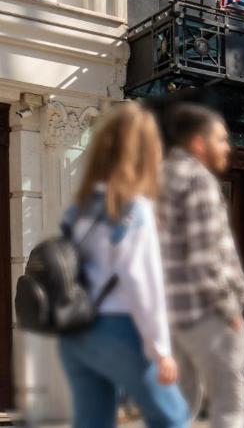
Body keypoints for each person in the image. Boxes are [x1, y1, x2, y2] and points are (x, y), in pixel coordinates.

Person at [58, 101, 189, 428]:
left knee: (93, 422)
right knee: (172, 417)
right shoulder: (134, 207)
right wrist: (160, 349)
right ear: (144, 150)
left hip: (74, 334)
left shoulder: (82, 207)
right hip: (117, 328)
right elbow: (141, 282)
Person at [158, 104, 244, 428]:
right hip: (204, 314)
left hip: (170, 314)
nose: (227, 148)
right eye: (221, 140)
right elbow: (204, 257)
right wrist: (229, 310)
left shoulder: (159, 178)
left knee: (178, 405)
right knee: (228, 400)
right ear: (199, 143)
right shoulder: (198, 180)